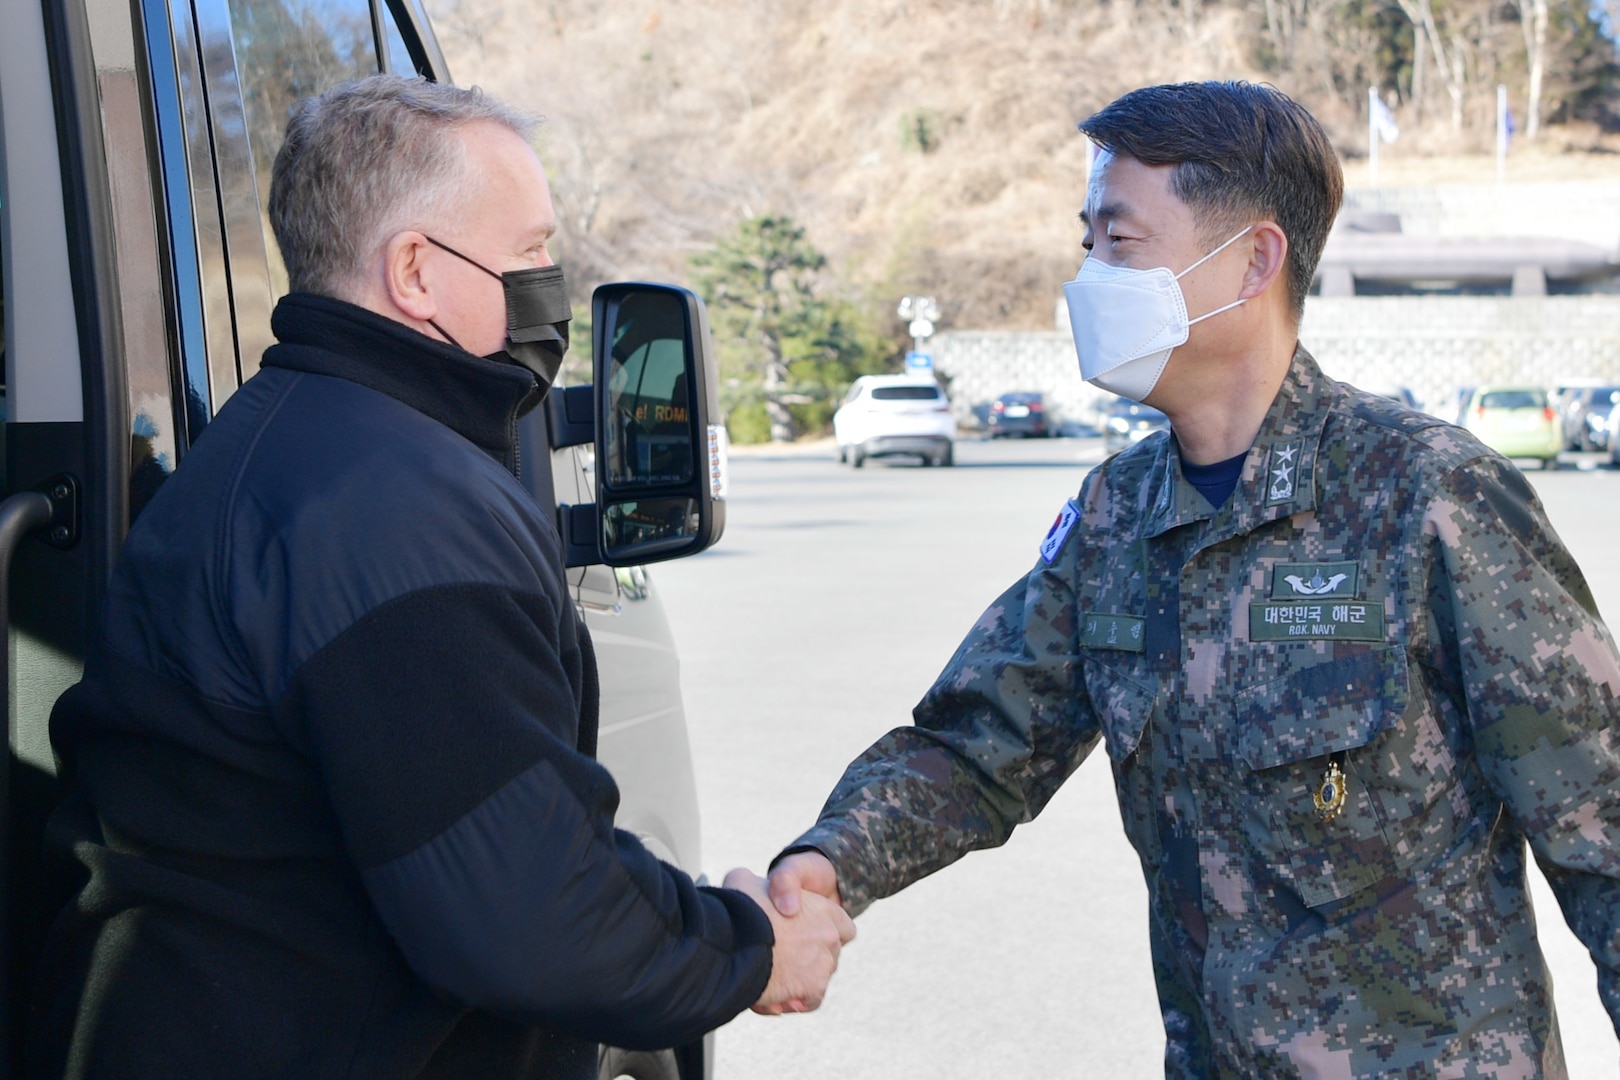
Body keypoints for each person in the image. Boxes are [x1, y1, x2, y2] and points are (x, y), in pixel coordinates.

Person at [768, 81, 1620, 1076]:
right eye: (1085, 241)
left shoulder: (1427, 494)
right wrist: (826, 866)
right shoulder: (1118, 515)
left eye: (1119, 243)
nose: (1087, 275)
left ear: (1254, 260)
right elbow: (979, 744)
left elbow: (1600, 821)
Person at [31, 75, 852, 1080]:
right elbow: (530, 910)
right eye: (530, 253)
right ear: (416, 270)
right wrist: (753, 950)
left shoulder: (297, 441)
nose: (547, 282)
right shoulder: (393, 506)